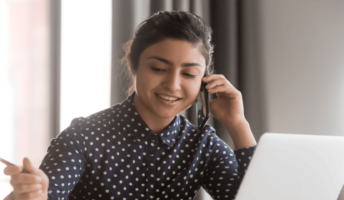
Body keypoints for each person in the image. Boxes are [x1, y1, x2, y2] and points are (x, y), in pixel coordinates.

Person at [4, 10, 257, 200]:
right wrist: (27, 195)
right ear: (133, 65)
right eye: (158, 68)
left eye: (189, 74)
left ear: (205, 79)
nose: (172, 84)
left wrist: (238, 124)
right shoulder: (84, 136)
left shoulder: (203, 144)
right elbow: (44, 193)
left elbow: (255, 196)